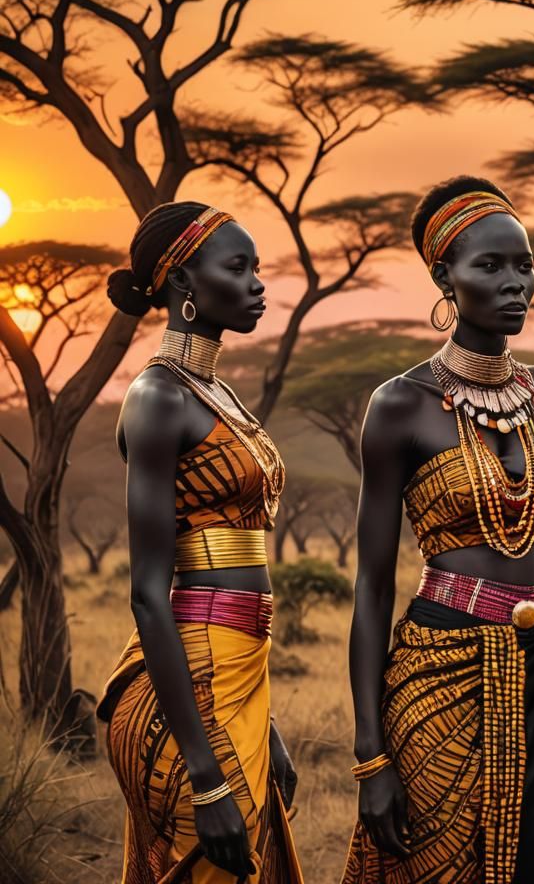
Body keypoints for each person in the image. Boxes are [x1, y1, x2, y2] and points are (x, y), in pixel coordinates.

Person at [342, 177, 534, 884]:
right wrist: (372, 756)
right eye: (491, 267)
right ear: (446, 277)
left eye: (525, 266)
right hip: (441, 675)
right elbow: (373, 588)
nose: (516, 285)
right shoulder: (400, 406)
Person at [99, 202, 303, 884]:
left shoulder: (214, 393)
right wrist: (206, 775)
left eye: (257, 268)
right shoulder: (158, 397)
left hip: (243, 667)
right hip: (197, 675)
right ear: (186, 280)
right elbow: (149, 597)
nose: (257, 284)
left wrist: (266, 725)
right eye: (237, 267)